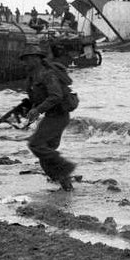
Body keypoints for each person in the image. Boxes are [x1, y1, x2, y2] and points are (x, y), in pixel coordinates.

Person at [20, 46, 77, 191]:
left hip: (58, 116)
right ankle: (66, 186)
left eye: (27, 60)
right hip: (52, 116)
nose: (24, 63)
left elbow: (56, 96)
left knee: (35, 145)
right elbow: (40, 97)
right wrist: (30, 107)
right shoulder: (33, 77)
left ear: (36, 59)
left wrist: (37, 110)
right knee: (45, 153)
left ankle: (66, 167)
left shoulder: (48, 74)